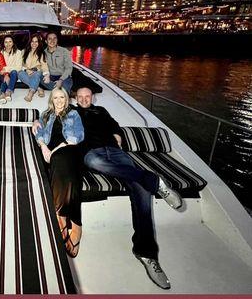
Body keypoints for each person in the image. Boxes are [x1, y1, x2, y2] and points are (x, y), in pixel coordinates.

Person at [74, 86, 182, 289]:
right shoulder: (72, 112)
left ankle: (146, 254)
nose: (84, 99)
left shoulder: (102, 110)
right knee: (95, 163)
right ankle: (156, 182)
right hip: (92, 153)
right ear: (76, 98)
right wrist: (38, 121)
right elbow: (54, 115)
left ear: (92, 97)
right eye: (80, 97)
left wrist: (117, 134)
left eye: (87, 96)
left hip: (115, 152)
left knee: (140, 190)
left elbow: (114, 124)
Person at [33, 87, 85, 258]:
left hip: (68, 149)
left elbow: (78, 136)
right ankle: (74, 225)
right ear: (51, 100)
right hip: (51, 153)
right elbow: (39, 133)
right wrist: (43, 148)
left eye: (62, 97)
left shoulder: (73, 114)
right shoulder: (46, 114)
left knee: (62, 161)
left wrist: (54, 150)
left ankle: (62, 219)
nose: (59, 100)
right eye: (56, 98)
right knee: (70, 176)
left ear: (66, 98)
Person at [18, 33, 49, 102]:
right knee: (19, 73)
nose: (34, 43)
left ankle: (31, 93)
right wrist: (26, 70)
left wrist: (47, 75)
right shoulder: (24, 51)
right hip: (26, 72)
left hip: (36, 71)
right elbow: (20, 64)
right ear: (30, 42)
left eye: (36, 41)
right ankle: (38, 88)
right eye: (32, 41)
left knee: (37, 74)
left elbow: (44, 65)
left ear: (39, 43)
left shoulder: (42, 53)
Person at [0, 35, 22, 104]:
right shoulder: (0, 53)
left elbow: (18, 67)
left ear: (13, 43)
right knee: (4, 78)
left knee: (14, 72)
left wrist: (6, 69)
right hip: (1, 73)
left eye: (10, 41)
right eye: (6, 42)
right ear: (3, 43)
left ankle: (8, 91)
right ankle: (3, 93)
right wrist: (5, 74)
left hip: (12, 74)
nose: (8, 44)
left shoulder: (18, 52)